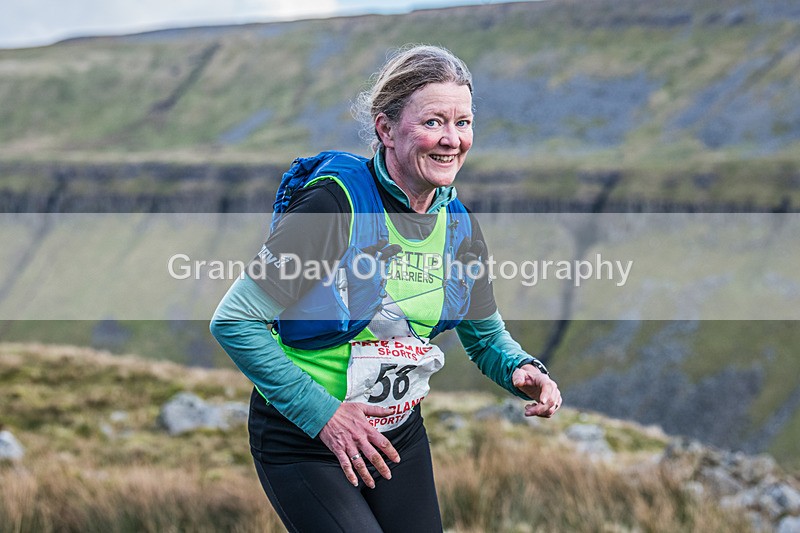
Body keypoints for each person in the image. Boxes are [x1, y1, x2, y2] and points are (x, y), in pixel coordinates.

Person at [210, 44, 562, 532]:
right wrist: (326, 416)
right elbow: (235, 322)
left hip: (396, 436)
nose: (451, 140)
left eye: (463, 123)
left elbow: (486, 338)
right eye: (433, 122)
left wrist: (522, 369)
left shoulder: (459, 229)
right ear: (386, 129)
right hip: (304, 438)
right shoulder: (334, 206)